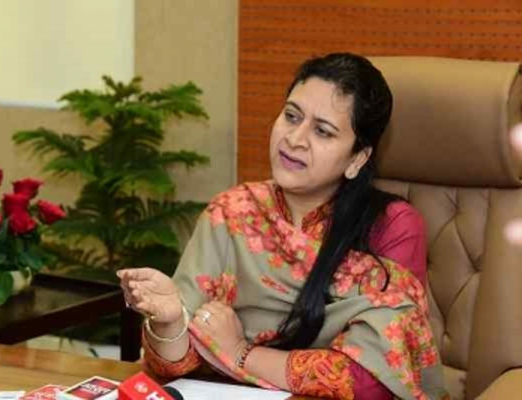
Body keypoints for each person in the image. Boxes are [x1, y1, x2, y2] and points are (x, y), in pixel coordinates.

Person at [118, 53, 448, 399]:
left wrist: (240, 353)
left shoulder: (393, 227)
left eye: (322, 131)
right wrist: (171, 321)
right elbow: (174, 365)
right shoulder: (232, 213)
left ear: (357, 159)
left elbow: (374, 379)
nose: (295, 139)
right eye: (292, 116)